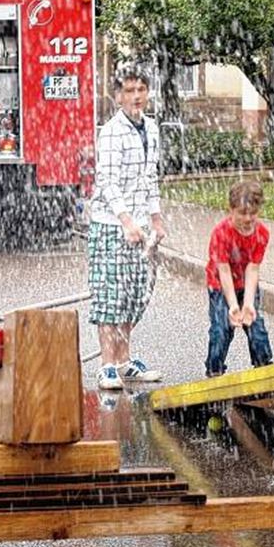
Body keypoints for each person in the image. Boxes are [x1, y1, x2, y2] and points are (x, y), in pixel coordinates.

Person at [88, 68, 167, 390]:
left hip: (140, 225)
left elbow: (150, 177)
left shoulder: (151, 128)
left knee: (134, 295)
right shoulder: (111, 132)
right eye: (130, 91)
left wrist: (156, 217)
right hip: (111, 225)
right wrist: (125, 220)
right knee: (111, 295)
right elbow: (106, 181)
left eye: (141, 89)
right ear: (118, 96)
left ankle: (124, 361)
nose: (136, 96)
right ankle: (107, 366)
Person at [204, 180, 274, 377]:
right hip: (220, 285)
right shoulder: (221, 233)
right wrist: (234, 305)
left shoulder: (261, 233)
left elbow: (253, 269)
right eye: (242, 213)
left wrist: (248, 303)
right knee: (221, 329)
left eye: (253, 213)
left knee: (256, 326)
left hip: (246, 284)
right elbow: (224, 271)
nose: (248, 218)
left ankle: (264, 368)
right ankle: (214, 371)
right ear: (231, 209)